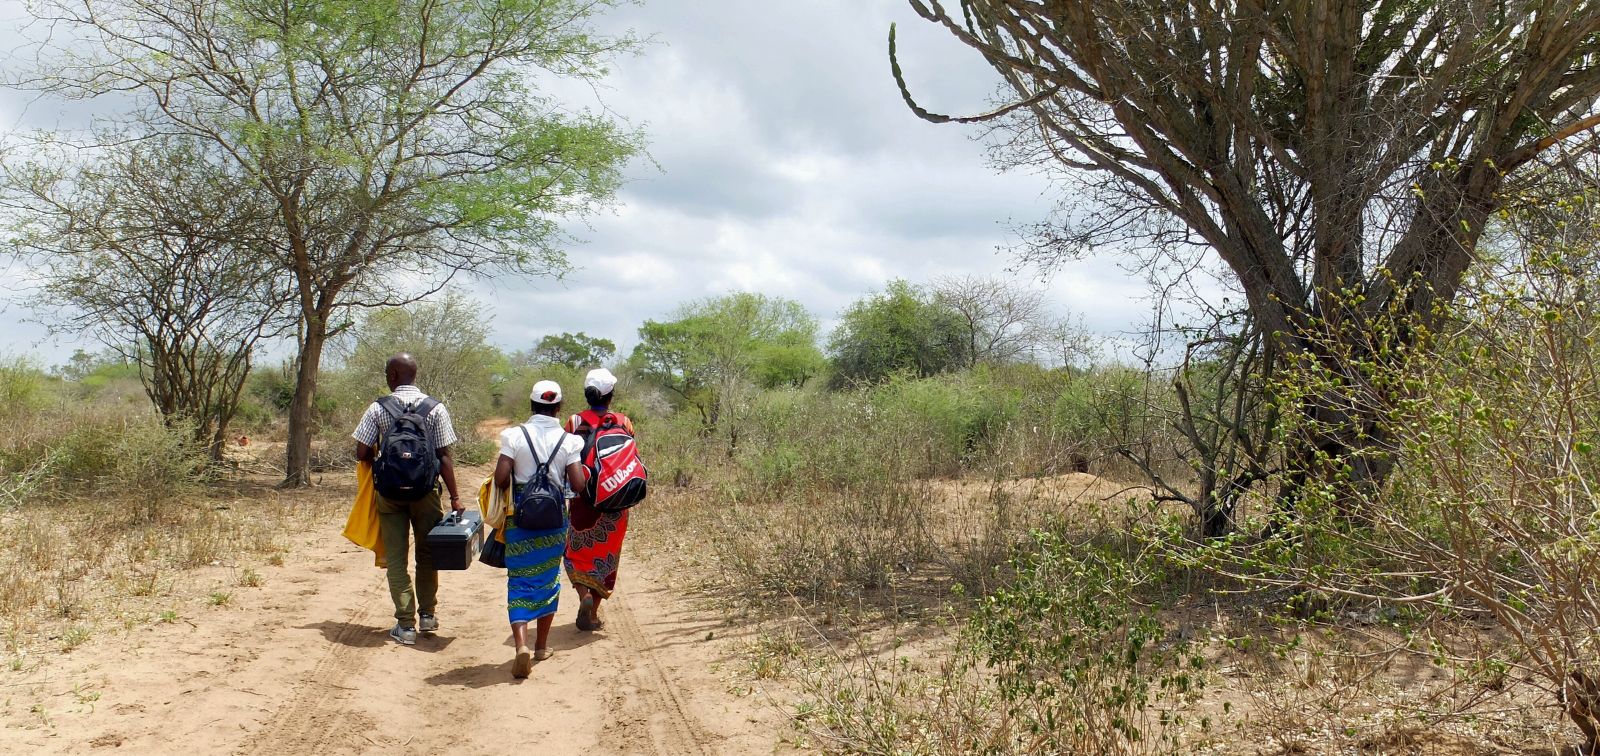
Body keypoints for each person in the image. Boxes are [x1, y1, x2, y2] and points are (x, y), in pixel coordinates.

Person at [352, 354, 463, 646]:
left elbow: (361, 453)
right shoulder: (435, 408)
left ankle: (405, 625)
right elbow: (444, 457)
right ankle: (427, 615)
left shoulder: (377, 408)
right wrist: (455, 497)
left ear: (391, 376)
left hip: (389, 495)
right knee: (427, 554)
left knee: (397, 559)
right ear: (414, 375)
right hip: (426, 493)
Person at [493, 379, 587, 677]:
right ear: (558, 408)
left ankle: (521, 644)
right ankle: (542, 646)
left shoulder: (514, 436)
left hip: (520, 521)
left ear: (531, 406)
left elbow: (500, 478)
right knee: (548, 580)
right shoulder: (570, 441)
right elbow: (579, 485)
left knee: (519, 581)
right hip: (554, 522)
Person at [564, 368, 636, 632]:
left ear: (586, 394)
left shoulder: (574, 422)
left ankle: (582, 595)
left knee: (575, 553)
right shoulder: (624, 422)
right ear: (611, 395)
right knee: (606, 557)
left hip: (584, 499)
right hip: (616, 499)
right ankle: (592, 612)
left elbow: (565, 460)